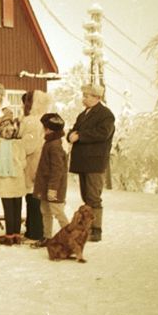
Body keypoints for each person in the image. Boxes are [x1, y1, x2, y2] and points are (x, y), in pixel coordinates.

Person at [67, 83, 115, 241]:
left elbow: (103, 133)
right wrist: (70, 135)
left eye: (87, 95)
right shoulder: (83, 114)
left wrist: (80, 136)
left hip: (95, 162)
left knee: (93, 197)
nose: (84, 98)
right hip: (83, 162)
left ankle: (96, 230)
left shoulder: (106, 115)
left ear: (97, 97)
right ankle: (87, 228)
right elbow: (73, 130)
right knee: (86, 196)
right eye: (84, 95)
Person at [0, 118, 27, 245]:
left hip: (3, 181)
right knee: (17, 207)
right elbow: (24, 163)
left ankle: (9, 236)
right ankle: (17, 236)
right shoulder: (19, 145)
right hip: (17, 180)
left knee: (8, 209)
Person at [18, 90, 52, 241]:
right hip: (43, 161)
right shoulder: (45, 119)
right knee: (37, 196)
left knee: (32, 197)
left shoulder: (30, 121)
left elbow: (27, 145)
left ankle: (34, 231)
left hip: (32, 161)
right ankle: (36, 229)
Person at [32, 113, 69, 247]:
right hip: (45, 186)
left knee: (57, 211)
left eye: (44, 127)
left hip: (53, 187)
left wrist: (53, 189)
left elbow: (57, 170)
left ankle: (71, 238)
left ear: (48, 129)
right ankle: (47, 237)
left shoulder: (55, 145)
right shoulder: (50, 142)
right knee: (45, 211)